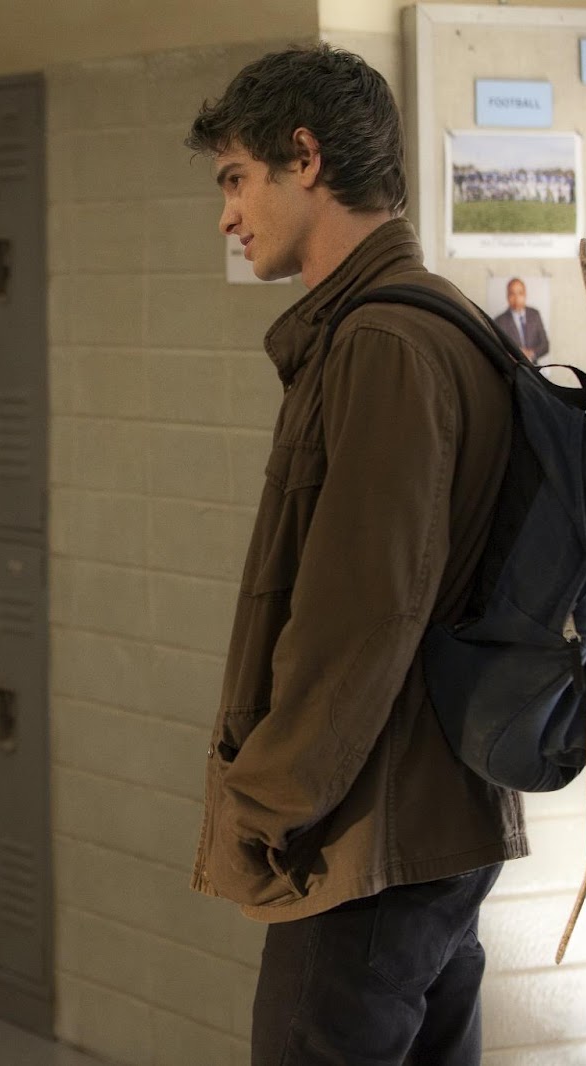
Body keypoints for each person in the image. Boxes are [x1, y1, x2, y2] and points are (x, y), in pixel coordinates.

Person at [185, 45, 523, 1065]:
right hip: (426, 823)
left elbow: (363, 612)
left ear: (306, 157)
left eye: (236, 179)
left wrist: (264, 799)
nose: (227, 215)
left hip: (370, 841)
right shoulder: (429, 322)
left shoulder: (384, 343)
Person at [491, 277, 549, 363]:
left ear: (525, 295)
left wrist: (531, 353)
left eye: (520, 293)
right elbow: (497, 350)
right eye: (512, 294)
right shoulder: (499, 321)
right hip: (512, 368)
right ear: (507, 296)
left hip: (534, 367)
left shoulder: (535, 315)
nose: (516, 298)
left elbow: (545, 345)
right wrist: (515, 355)